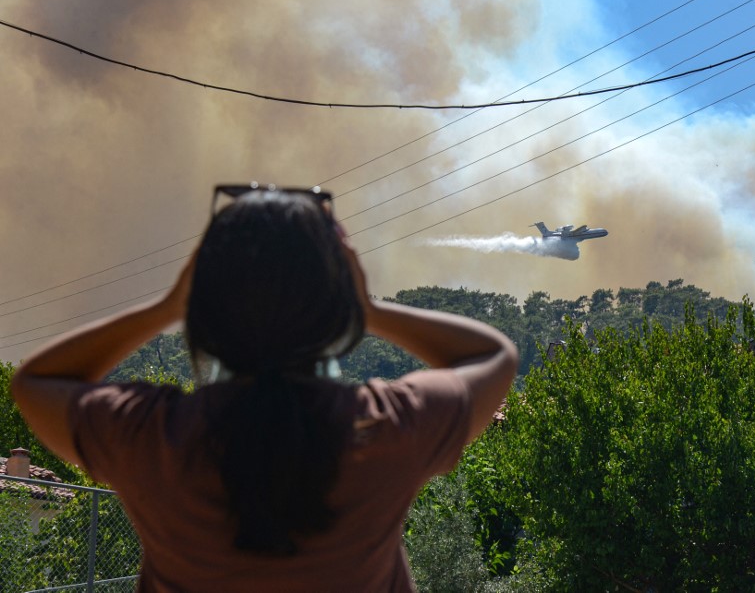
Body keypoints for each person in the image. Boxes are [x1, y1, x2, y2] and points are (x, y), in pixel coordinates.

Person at [10, 184, 519, 592]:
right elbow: (494, 356)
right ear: (332, 310)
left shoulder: (155, 436)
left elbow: (36, 382)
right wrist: (367, 308)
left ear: (204, 310)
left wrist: (169, 306)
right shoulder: (385, 427)